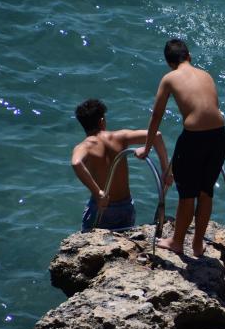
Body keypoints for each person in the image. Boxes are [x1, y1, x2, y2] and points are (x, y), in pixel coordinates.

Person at [135, 39, 225, 256]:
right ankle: (196, 245)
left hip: (194, 138)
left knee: (187, 194)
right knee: (206, 192)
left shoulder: (169, 78)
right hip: (218, 136)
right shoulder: (206, 75)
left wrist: (146, 148)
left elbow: (157, 115)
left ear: (169, 62)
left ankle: (177, 242)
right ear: (189, 56)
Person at [71, 99, 170, 232]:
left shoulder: (84, 146)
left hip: (101, 207)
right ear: (102, 121)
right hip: (125, 207)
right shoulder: (120, 137)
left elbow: (76, 163)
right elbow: (157, 136)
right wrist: (165, 170)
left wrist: (98, 192)